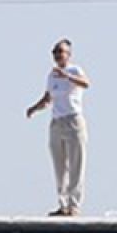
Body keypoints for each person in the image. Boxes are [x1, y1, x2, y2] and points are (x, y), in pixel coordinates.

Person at [25, 38, 92, 216]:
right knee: (60, 165)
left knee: (76, 163)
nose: (57, 55)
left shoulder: (74, 70)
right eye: (55, 52)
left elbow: (86, 83)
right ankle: (63, 204)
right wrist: (34, 108)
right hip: (57, 122)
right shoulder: (51, 75)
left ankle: (74, 205)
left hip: (73, 121)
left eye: (60, 51)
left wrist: (67, 77)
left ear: (68, 54)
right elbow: (48, 98)